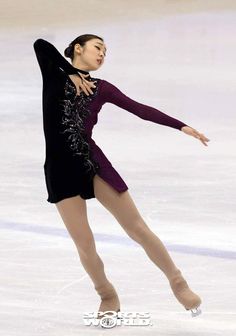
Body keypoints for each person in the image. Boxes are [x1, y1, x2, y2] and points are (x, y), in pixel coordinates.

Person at [33, 34, 209, 319]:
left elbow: (140, 109)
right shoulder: (54, 73)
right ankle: (107, 294)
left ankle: (178, 283)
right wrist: (68, 71)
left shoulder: (100, 88)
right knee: (84, 243)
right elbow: (41, 44)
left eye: (106, 51)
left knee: (136, 227)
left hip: (93, 163)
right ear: (78, 49)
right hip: (60, 168)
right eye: (97, 48)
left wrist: (181, 127)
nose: (102, 54)